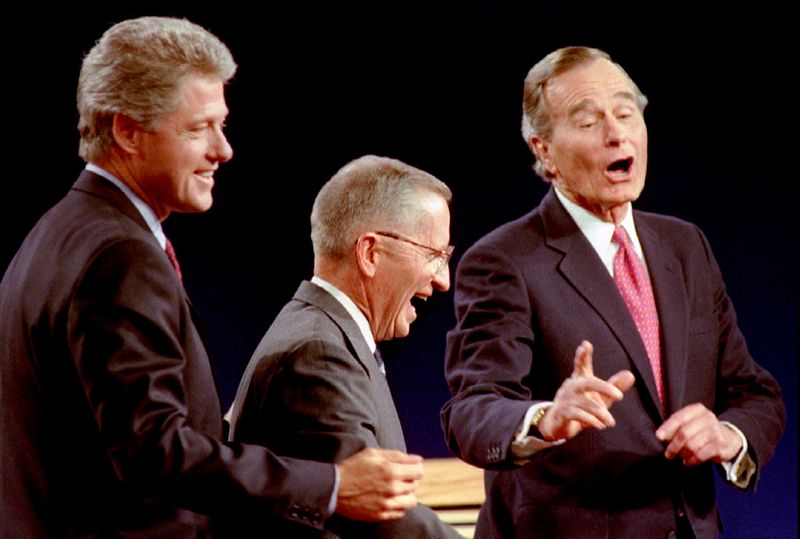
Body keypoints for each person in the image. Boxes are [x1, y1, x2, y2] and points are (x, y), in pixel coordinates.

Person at [0, 17, 424, 538]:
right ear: (127, 130)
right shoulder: (119, 255)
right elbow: (152, 450)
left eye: (222, 126)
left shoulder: (59, 232)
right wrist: (332, 484)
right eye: (200, 128)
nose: (223, 150)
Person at [440, 46, 785, 538]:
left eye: (626, 113)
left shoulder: (685, 245)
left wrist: (727, 436)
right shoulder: (504, 260)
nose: (616, 133)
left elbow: (755, 394)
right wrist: (545, 418)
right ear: (542, 149)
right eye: (587, 121)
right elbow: (472, 409)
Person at [225, 155, 462, 538]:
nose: (443, 280)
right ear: (371, 253)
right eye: (434, 255)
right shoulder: (319, 354)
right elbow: (378, 518)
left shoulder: (327, 334)